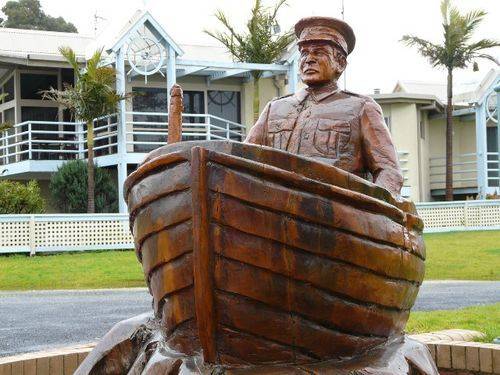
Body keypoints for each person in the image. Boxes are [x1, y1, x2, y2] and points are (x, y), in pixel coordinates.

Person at [245, 16, 403, 196]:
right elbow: (244, 159)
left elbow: (389, 172)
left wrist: (373, 208)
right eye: (304, 53)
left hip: (336, 214)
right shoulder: (274, 109)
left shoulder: (361, 108)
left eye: (319, 52)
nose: (308, 59)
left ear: (340, 63)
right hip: (276, 211)